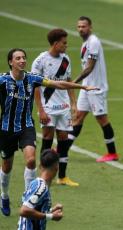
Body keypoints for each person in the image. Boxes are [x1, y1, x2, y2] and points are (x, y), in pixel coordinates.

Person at [0, 48, 97, 216]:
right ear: (11, 62)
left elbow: (58, 84)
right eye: (18, 58)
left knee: (31, 160)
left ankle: (28, 199)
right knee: (7, 166)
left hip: (26, 127)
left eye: (23, 57)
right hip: (6, 129)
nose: (22, 60)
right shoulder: (2, 80)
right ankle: (4, 195)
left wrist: (82, 86)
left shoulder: (32, 79)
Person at [66, 16, 119, 162]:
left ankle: (112, 153)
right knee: (78, 117)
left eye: (84, 26)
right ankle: (62, 150)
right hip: (86, 87)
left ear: (90, 27)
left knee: (102, 119)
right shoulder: (85, 43)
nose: (81, 29)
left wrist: (73, 83)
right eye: (79, 27)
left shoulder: (93, 42)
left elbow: (89, 67)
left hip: (96, 88)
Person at [32, 28, 79, 187]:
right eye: (64, 43)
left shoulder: (66, 59)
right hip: (49, 108)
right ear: (55, 43)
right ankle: (43, 175)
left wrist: (74, 103)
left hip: (64, 107)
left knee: (63, 141)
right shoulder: (40, 61)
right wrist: (41, 110)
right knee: (47, 139)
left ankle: (62, 177)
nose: (66, 46)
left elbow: (69, 81)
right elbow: (36, 87)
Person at [10, 149, 63, 230]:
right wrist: (50, 216)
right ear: (56, 167)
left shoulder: (34, 184)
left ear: (40, 166)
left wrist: (50, 211)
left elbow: (31, 211)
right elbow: (24, 210)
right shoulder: (41, 187)